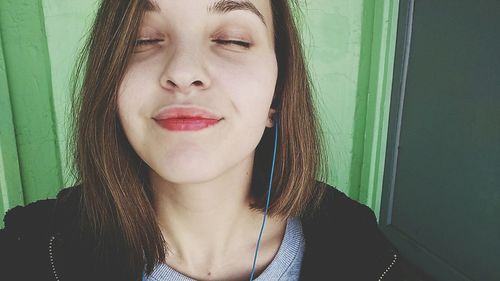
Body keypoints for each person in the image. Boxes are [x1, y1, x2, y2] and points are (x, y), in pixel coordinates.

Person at [0, 0, 404, 280]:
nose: (183, 70)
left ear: (276, 96)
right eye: (143, 39)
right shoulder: (29, 253)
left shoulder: (362, 252)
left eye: (232, 39)